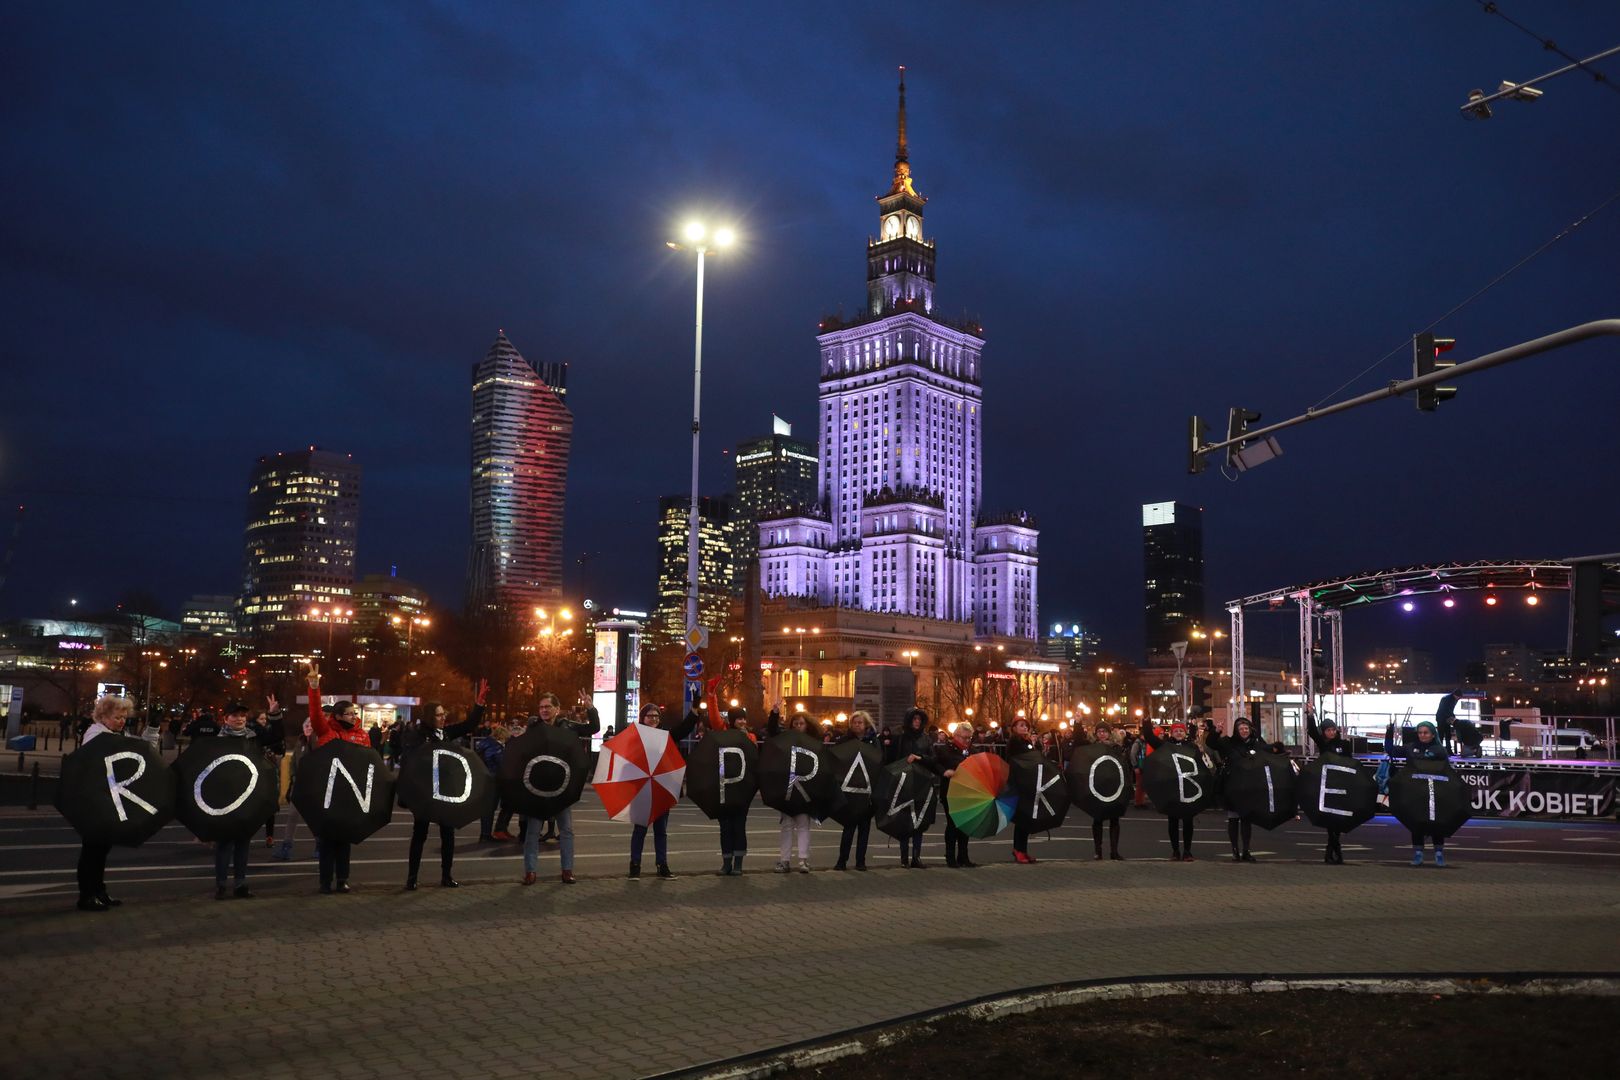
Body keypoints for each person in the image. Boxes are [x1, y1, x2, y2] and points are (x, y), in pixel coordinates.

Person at [402, 682, 488, 890]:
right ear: (430, 717)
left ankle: (446, 875)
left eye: (444, 714)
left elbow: (468, 725)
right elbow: (411, 761)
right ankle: (412, 877)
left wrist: (479, 704)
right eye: (439, 715)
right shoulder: (417, 734)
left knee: (448, 834)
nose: (443, 718)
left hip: (445, 792)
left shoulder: (446, 733)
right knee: (420, 834)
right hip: (425, 793)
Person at [306, 663, 372, 894]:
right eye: (350, 713)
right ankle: (325, 881)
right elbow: (315, 714)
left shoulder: (361, 735)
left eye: (355, 713)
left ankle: (342, 879)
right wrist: (314, 687)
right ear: (337, 716)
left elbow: (368, 764)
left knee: (344, 840)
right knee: (326, 842)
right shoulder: (327, 731)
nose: (354, 716)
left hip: (350, 795)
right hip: (329, 793)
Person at [627, 700, 701, 879]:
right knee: (640, 830)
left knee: (661, 831)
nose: (653, 719)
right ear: (642, 718)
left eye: (656, 716)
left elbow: (683, 729)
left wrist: (693, 712)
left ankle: (662, 865)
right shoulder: (635, 737)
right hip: (643, 789)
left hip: (661, 787)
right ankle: (635, 866)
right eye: (649, 716)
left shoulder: (665, 735)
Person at [76, 695, 134, 911]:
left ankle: (99, 891)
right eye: (117, 717)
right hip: (95, 800)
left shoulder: (113, 735)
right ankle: (87, 895)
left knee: (101, 850)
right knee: (92, 850)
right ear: (103, 716)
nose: (121, 721)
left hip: (108, 799)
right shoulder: (96, 735)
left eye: (124, 718)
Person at [521, 692, 582, 887]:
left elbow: (593, 728)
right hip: (538, 787)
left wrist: (590, 708)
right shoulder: (533, 728)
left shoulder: (567, 726)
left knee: (566, 830)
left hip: (561, 787)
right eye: (541, 707)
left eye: (548, 706)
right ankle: (530, 871)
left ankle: (567, 870)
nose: (544, 710)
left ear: (557, 708)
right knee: (532, 831)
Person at [212, 701, 270, 899]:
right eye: (234, 715)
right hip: (225, 798)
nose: (239, 719)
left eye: (242, 715)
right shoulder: (217, 740)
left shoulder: (253, 739)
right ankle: (221, 884)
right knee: (224, 844)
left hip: (247, 796)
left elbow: (274, 739)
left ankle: (240, 884)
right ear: (226, 718)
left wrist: (275, 713)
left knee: (243, 843)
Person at [1387, 718, 1453, 867]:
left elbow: (1447, 771)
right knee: (1416, 822)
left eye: (1426, 732)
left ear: (1432, 734)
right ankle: (1418, 853)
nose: (1422, 735)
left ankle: (1439, 854)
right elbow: (1390, 750)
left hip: (1435, 792)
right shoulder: (1411, 747)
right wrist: (1389, 733)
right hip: (1416, 792)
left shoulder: (1440, 750)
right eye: (1420, 733)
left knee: (1437, 823)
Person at [1204, 713, 1266, 863]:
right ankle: (1235, 850)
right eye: (1241, 728)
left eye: (1246, 728)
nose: (1244, 731)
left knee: (1246, 819)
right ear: (1236, 730)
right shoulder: (1228, 742)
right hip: (1233, 785)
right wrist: (1217, 731)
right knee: (1233, 818)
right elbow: (1211, 743)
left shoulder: (1256, 743)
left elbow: (1268, 753)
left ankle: (1246, 850)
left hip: (1250, 786)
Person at [766, 706, 816, 874]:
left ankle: (803, 860)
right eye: (795, 723)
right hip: (788, 788)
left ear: (806, 725)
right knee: (787, 826)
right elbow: (772, 733)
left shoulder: (813, 742)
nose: (798, 726)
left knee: (803, 825)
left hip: (805, 789)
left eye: (801, 723)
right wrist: (774, 715)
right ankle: (784, 860)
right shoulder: (785, 739)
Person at [1142, 717, 1199, 861]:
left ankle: (1187, 851)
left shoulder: (1191, 746)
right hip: (1171, 787)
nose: (1179, 733)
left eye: (1181, 730)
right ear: (1171, 733)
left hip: (1188, 787)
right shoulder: (1165, 745)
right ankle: (1175, 851)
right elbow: (1150, 738)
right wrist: (1146, 723)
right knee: (1173, 820)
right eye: (1176, 731)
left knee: (1187, 821)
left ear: (1185, 733)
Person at [888, 707, 935, 868]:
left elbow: (932, 759)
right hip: (903, 781)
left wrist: (919, 758)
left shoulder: (926, 739)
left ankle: (916, 856)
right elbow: (893, 759)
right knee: (904, 820)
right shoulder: (901, 738)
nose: (917, 722)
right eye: (914, 719)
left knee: (919, 820)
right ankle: (904, 858)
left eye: (919, 719)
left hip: (921, 782)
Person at [1306, 706, 1353, 865]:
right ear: (1324, 732)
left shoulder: (1344, 744)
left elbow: (1350, 762)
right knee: (1330, 817)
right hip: (1327, 784)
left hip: (1341, 783)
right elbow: (1311, 731)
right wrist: (1310, 715)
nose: (1331, 732)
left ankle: (1332, 850)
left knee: (1338, 818)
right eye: (1328, 730)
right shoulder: (1323, 744)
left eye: (1333, 729)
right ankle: (1334, 851)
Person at [831, 711, 877, 871]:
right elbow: (836, 760)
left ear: (866, 725)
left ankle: (860, 861)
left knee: (864, 828)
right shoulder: (844, 741)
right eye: (854, 722)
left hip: (866, 790)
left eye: (860, 723)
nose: (857, 725)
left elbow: (878, 762)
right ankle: (842, 860)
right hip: (849, 790)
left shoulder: (873, 741)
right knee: (849, 827)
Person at [1076, 721, 1128, 861]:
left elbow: (1123, 765)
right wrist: (1077, 723)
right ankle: (1098, 851)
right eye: (1099, 732)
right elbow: (1078, 743)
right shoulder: (1092, 748)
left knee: (1114, 819)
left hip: (1113, 786)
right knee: (1097, 819)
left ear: (1109, 734)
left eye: (1104, 731)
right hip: (1098, 787)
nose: (1102, 734)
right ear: (1096, 734)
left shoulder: (1116, 748)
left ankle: (1114, 851)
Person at [716, 705, 755, 876]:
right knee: (725, 826)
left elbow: (754, 758)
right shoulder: (723, 735)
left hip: (742, 788)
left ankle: (738, 863)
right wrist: (711, 697)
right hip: (725, 787)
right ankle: (726, 863)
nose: (743, 721)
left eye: (744, 718)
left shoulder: (750, 736)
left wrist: (747, 739)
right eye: (739, 718)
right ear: (732, 720)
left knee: (739, 825)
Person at [934, 721, 977, 868]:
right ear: (955, 736)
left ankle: (963, 856)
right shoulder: (946, 750)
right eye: (964, 738)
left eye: (969, 738)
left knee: (965, 825)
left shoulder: (973, 751)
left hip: (967, 792)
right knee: (953, 824)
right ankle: (950, 856)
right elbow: (935, 764)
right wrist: (944, 772)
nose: (967, 741)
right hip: (951, 792)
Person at [1003, 717, 1039, 864]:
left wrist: (1034, 744)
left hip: (1027, 782)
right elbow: (1024, 759)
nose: (1025, 728)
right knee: (1021, 819)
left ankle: (1022, 850)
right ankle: (1018, 849)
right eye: (1021, 725)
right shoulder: (1015, 742)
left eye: (1026, 726)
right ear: (1014, 728)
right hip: (1018, 783)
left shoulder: (1026, 742)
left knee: (1026, 819)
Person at [474, 722, 508, 844]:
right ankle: (486, 834)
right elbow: (501, 763)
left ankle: (485, 833)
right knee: (489, 808)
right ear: (501, 737)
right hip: (493, 780)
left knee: (487, 808)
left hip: (484, 778)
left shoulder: (484, 744)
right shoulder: (496, 747)